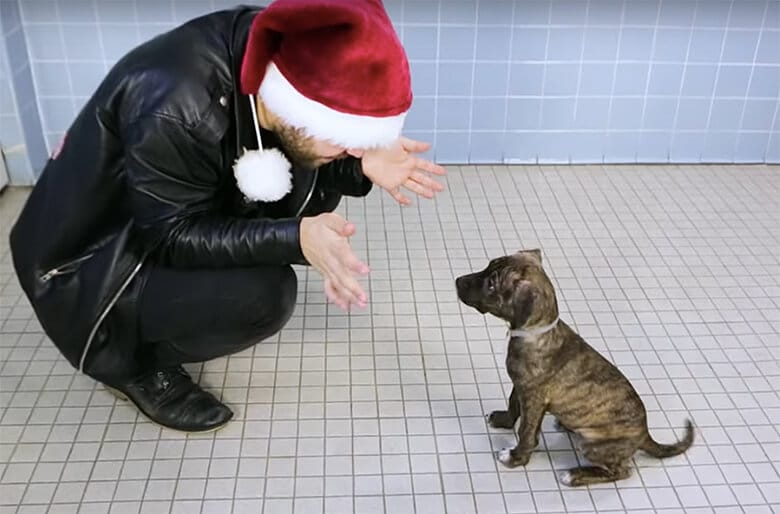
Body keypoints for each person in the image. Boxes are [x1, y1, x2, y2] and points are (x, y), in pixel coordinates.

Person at [9, 0, 446, 433]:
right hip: (89, 266)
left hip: (161, 210)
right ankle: (132, 365)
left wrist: (358, 165)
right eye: (347, 137)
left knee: (312, 191)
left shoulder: (281, 51)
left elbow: (297, 152)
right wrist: (296, 238)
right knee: (265, 295)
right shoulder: (177, 104)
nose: (356, 147)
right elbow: (171, 236)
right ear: (298, 105)